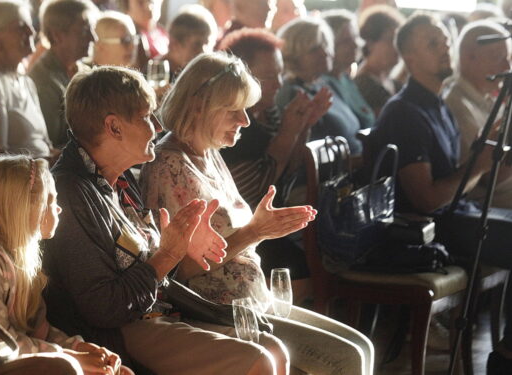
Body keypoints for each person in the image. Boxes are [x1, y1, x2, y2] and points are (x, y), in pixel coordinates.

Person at [43, 65, 287, 375]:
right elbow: (104, 308)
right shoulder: (70, 192)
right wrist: (170, 254)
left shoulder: (118, 181)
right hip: (119, 330)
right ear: (114, 127)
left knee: (274, 349)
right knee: (257, 361)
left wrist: (182, 250)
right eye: (145, 117)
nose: (157, 127)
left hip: (158, 313)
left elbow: (149, 268)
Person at [140, 52, 373, 375]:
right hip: (212, 313)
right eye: (234, 111)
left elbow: (228, 238)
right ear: (198, 106)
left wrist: (261, 227)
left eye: (245, 110)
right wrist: (255, 232)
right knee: (345, 358)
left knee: (361, 346)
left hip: (249, 303)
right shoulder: (170, 165)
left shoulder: (207, 152)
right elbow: (179, 270)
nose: (246, 121)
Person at [364, 14, 512, 374]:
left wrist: (489, 157)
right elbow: (427, 199)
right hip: (422, 229)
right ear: (410, 58)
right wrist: (478, 164)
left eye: (446, 41)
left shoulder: (436, 104)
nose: (446, 49)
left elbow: (459, 181)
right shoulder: (404, 111)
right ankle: (506, 359)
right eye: (434, 44)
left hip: (455, 214)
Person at [0, 155, 130, 375]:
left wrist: (79, 348)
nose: (58, 209)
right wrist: (68, 357)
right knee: (67, 368)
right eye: (52, 200)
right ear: (27, 207)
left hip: (5, 362)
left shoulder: (16, 256)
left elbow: (39, 331)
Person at [218, 28, 330, 279]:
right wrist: (288, 133)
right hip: (237, 232)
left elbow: (290, 168)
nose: (279, 84)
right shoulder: (231, 123)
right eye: (269, 77)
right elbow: (258, 188)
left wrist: (304, 126)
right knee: (297, 262)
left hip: (268, 224)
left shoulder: (268, 112)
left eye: (280, 73)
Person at [0, 0, 57, 160]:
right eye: (20, 27)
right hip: (19, 181)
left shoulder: (25, 81)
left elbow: (46, 147)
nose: (31, 31)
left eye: (30, 25)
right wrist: (48, 166)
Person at [445, 20, 512, 209]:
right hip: (494, 209)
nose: (507, 67)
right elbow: (490, 177)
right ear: (469, 57)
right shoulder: (458, 106)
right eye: (498, 57)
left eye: (508, 58)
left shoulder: (487, 99)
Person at [276, 17, 364, 154]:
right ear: (293, 55)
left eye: (325, 44)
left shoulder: (327, 83)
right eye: (314, 49)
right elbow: (304, 156)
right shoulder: (293, 94)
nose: (325, 53)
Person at [29, 0, 98, 149]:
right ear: (57, 35)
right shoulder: (43, 82)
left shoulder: (84, 71)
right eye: (84, 31)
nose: (93, 38)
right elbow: (54, 142)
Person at [322, 9, 375, 129]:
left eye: (355, 38)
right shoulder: (323, 85)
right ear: (330, 45)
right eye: (346, 41)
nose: (355, 45)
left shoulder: (345, 79)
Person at [353, 5, 405, 116]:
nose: (397, 47)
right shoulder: (364, 84)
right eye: (390, 40)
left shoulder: (393, 82)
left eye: (398, 41)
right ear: (370, 42)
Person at [161, 4, 216, 78]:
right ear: (174, 45)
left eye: (208, 44)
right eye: (197, 45)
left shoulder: (201, 75)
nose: (204, 52)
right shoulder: (155, 75)